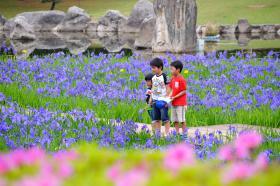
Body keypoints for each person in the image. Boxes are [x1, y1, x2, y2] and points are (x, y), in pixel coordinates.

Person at [149, 58, 170, 134]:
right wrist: (150, 99)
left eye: (154, 68)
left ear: (160, 67)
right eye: (152, 68)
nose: (152, 69)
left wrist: (166, 99)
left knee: (165, 118)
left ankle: (167, 134)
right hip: (155, 100)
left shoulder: (165, 76)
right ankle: (158, 134)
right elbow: (152, 88)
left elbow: (168, 88)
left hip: (162, 101)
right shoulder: (153, 77)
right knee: (157, 118)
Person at [169, 60, 187, 134]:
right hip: (173, 103)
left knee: (182, 120)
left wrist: (175, 96)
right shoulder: (173, 78)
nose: (171, 71)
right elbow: (171, 89)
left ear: (178, 70)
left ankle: (184, 134)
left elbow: (184, 91)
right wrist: (169, 97)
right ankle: (177, 133)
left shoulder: (181, 79)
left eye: (172, 69)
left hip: (181, 103)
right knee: (175, 120)